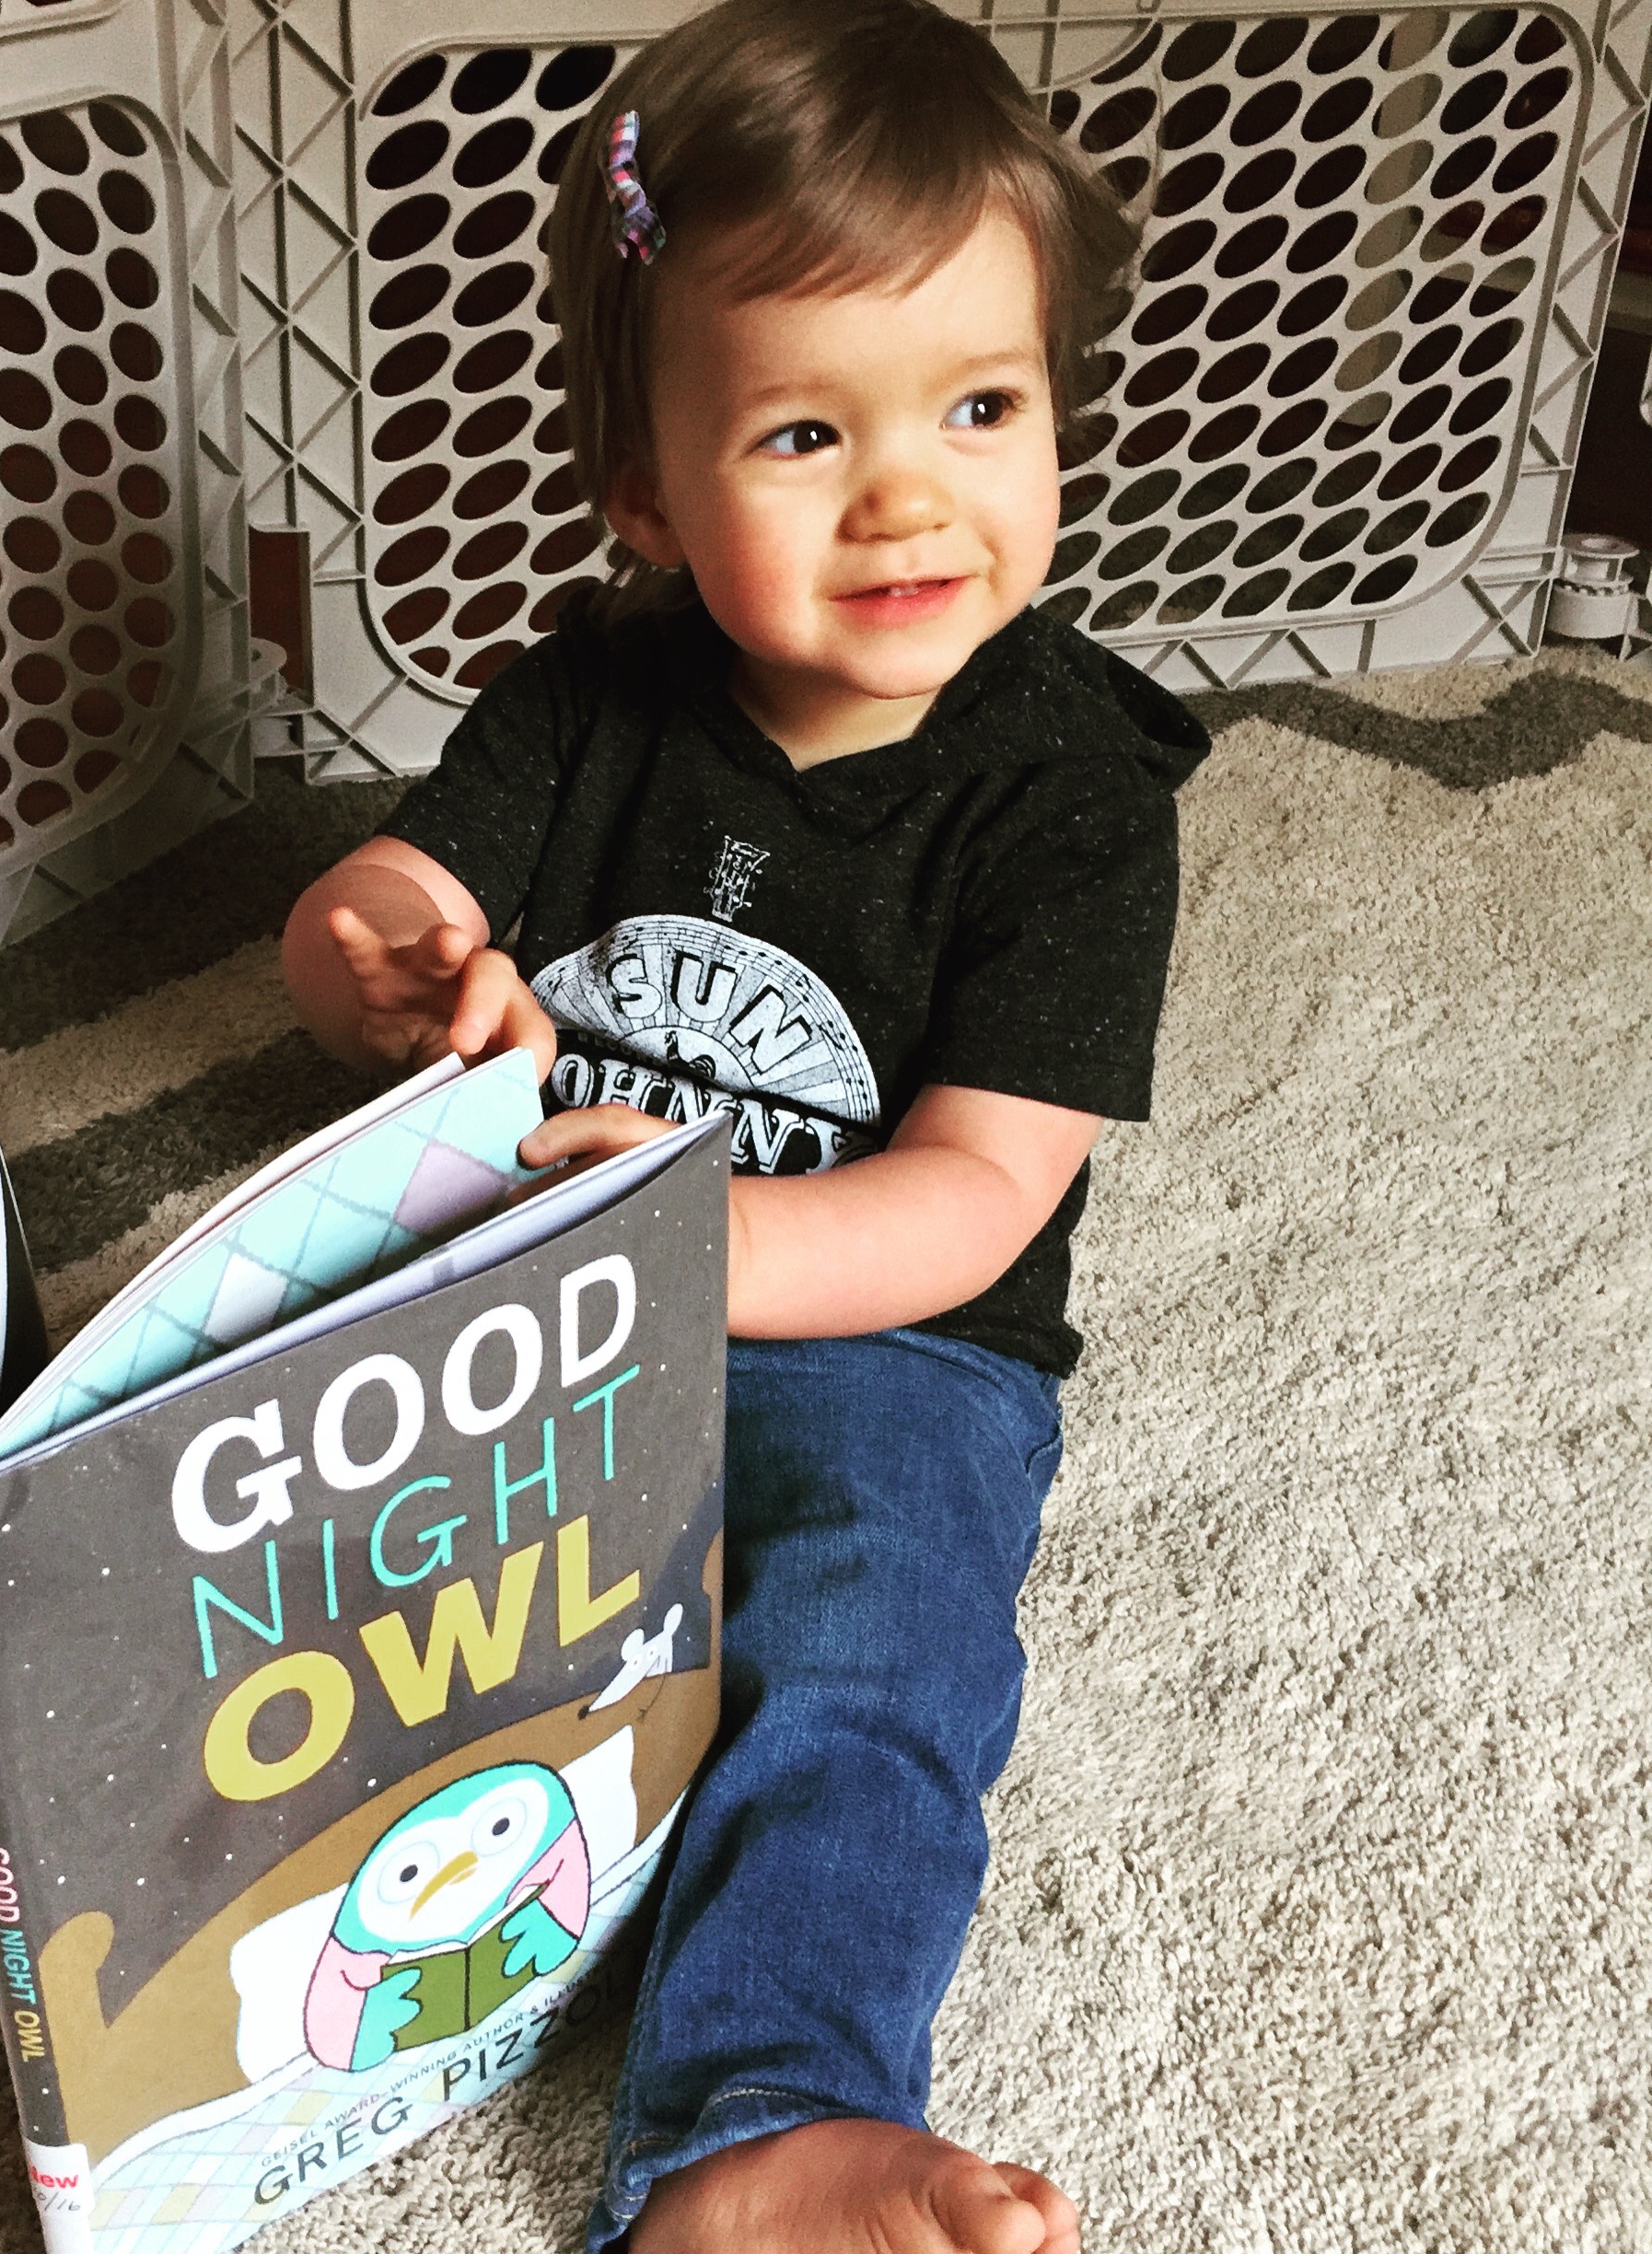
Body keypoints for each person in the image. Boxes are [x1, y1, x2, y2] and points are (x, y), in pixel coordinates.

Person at [282, 2, 1209, 2246]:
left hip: (882, 1338)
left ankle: (759, 2123)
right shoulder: (587, 693)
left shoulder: (1076, 796)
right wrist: (380, 944)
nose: (910, 496)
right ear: (647, 492)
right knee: (285, 1546)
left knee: (878, 1654)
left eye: (982, 408)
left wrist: (709, 1246)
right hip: (528, 1289)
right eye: (804, 431)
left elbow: (980, 1191)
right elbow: (385, 901)